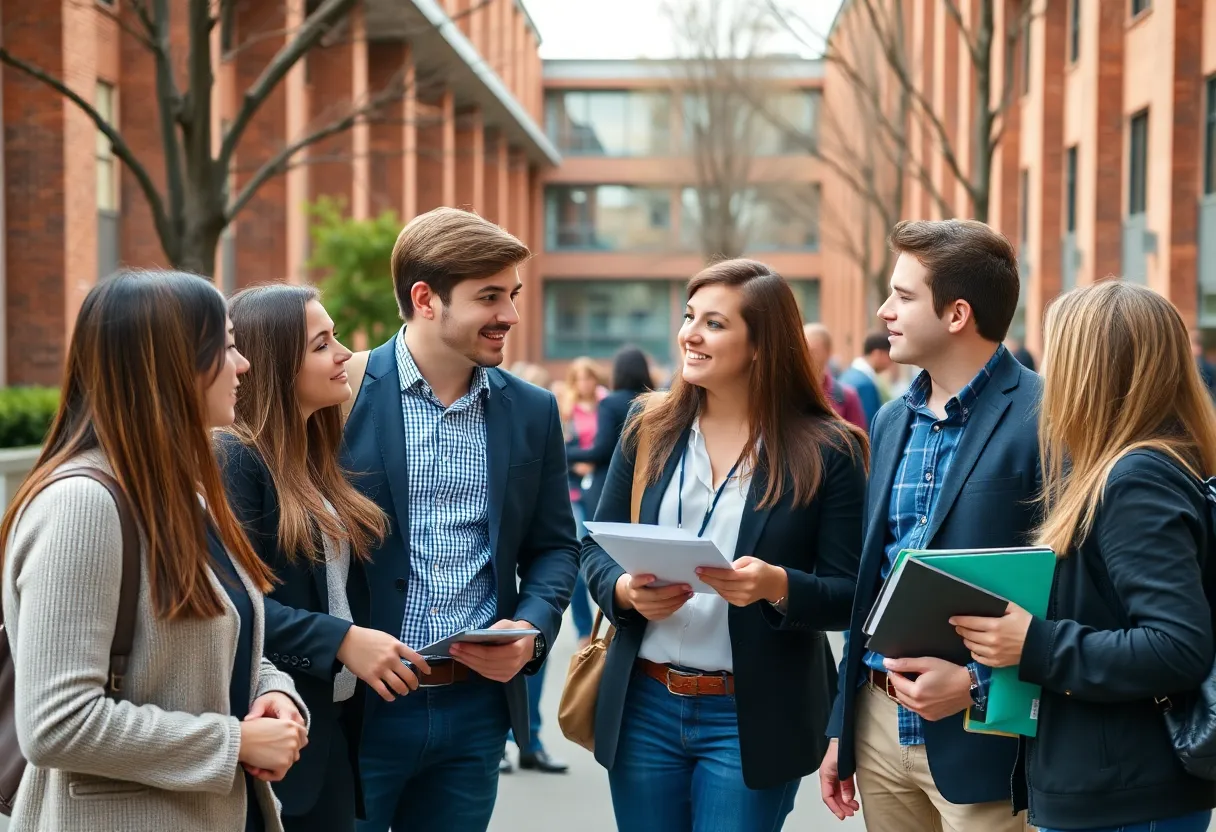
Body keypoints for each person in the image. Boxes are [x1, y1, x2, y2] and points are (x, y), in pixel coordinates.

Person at [0, 270, 308, 832]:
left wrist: (275, 693)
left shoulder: (178, 492)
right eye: (229, 346)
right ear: (170, 363)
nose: (243, 366)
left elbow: (223, 638)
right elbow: (56, 723)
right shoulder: (82, 505)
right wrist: (236, 741)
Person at [582, 258, 868, 832]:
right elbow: (594, 547)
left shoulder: (829, 450)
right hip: (645, 704)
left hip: (751, 714)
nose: (690, 334)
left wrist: (778, 586)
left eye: (714, 323)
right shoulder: (648, 428)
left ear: (761, 345)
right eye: (690, 317)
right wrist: (622, 592)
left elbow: (851, 595)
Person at [342, 207, 580, 832]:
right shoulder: (339, 396)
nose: (511, 315)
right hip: (355, 708)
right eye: (490, 297)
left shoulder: (531, 411)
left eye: (514, 295)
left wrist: (531, 629)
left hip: (477, 713)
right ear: (426, 299)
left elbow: (556, 547)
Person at [953, 281, 1216, 832]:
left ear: (1088, 370)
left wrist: (1034, 643)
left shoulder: (1134, 478)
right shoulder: (1129, 467)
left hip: (1127, 796)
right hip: (1116, 786)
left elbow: (1177, 647)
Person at [821, 219, 1040, 832]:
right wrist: (844, 728)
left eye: (904, 295)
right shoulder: (892, 420)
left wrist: (977, 685)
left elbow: (1071, 587)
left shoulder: (1045, 417)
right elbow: (874, 581)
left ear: (957, 314)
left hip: (983, 737)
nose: (885, 311)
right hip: (878, 726)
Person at [218, 284, 433, 831]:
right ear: (274, 363)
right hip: (272, 733)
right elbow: (233, 606)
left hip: (331, 732)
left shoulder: (315, 458)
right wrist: (339, 641)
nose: (343, 353)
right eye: (322, 343)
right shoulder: (238, 460)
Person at [566, 346, 654, 520]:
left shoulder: (610, 404)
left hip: (611, 483)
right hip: (648, 483)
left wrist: (566, 452)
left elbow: (602, 450)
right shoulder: (655, 402)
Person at [803, 323, 867, 430]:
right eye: (801, 350)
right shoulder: (790, 393)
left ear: (828, 352)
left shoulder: (847, 396)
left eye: (811, 351)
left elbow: (859, 440)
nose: (805, 356)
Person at [839, 331, 894, 430]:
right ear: (877, 353)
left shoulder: (848, 374)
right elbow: (871, 426)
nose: (892, 362)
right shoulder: (865, 384)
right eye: (889, 356)